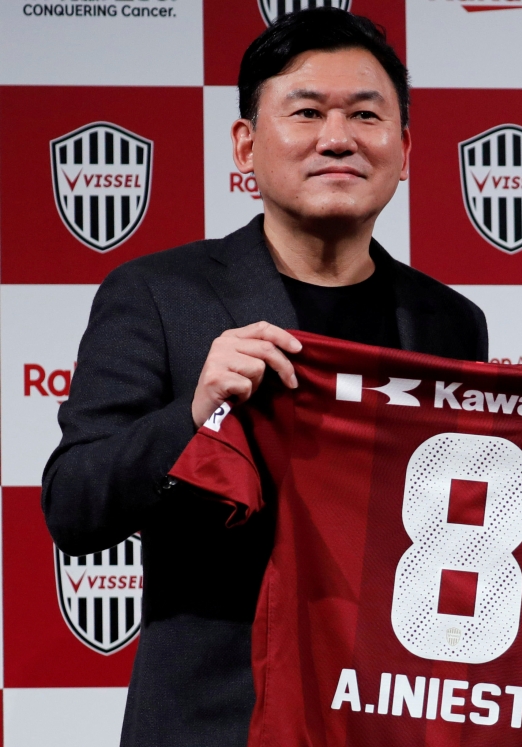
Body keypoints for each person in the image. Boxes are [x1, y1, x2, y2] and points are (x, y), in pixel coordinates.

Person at [42, 9, 486, 747]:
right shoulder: (157, 294)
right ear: (245, 145)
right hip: (216, 721)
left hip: (387, 714)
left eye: (365, 115)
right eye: (306, 112)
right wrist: (193, 413)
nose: (337, 138)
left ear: (405, 149)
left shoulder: (450, 322)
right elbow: (74, 506)